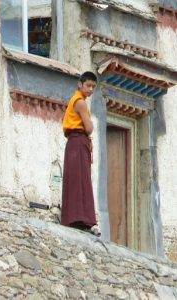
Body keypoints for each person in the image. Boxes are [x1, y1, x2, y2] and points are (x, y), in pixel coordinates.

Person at [61, 71, 99, 235]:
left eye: (93, 87)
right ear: (80, 84)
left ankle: (72, 218)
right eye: (88, 85)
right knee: (81, 179)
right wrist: (90, 125)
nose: (90, 89)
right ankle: (82, 219)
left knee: (75, 179)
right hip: (79, 141)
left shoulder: (75, 100)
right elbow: (89, 128)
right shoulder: (81, 103)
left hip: (73, 143)